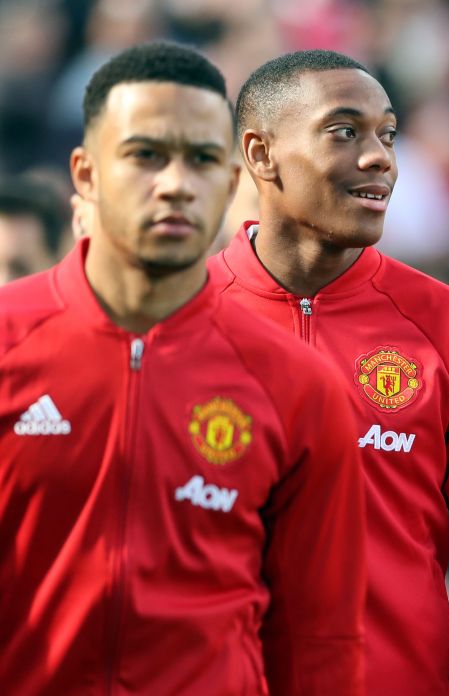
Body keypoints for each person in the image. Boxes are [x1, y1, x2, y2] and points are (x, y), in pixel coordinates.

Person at [0, 42, 365, 695]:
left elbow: (319, 642)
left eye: (201, 160)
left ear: (229, 184)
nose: (175, 183)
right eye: (145, 155)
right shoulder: (7, 343)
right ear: (85, 174)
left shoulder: (298, 387)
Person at [208, 49, 449, 695]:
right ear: (260, 155)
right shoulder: (178, 324)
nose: (381, 158)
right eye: (344, 132)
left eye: (389, 134)